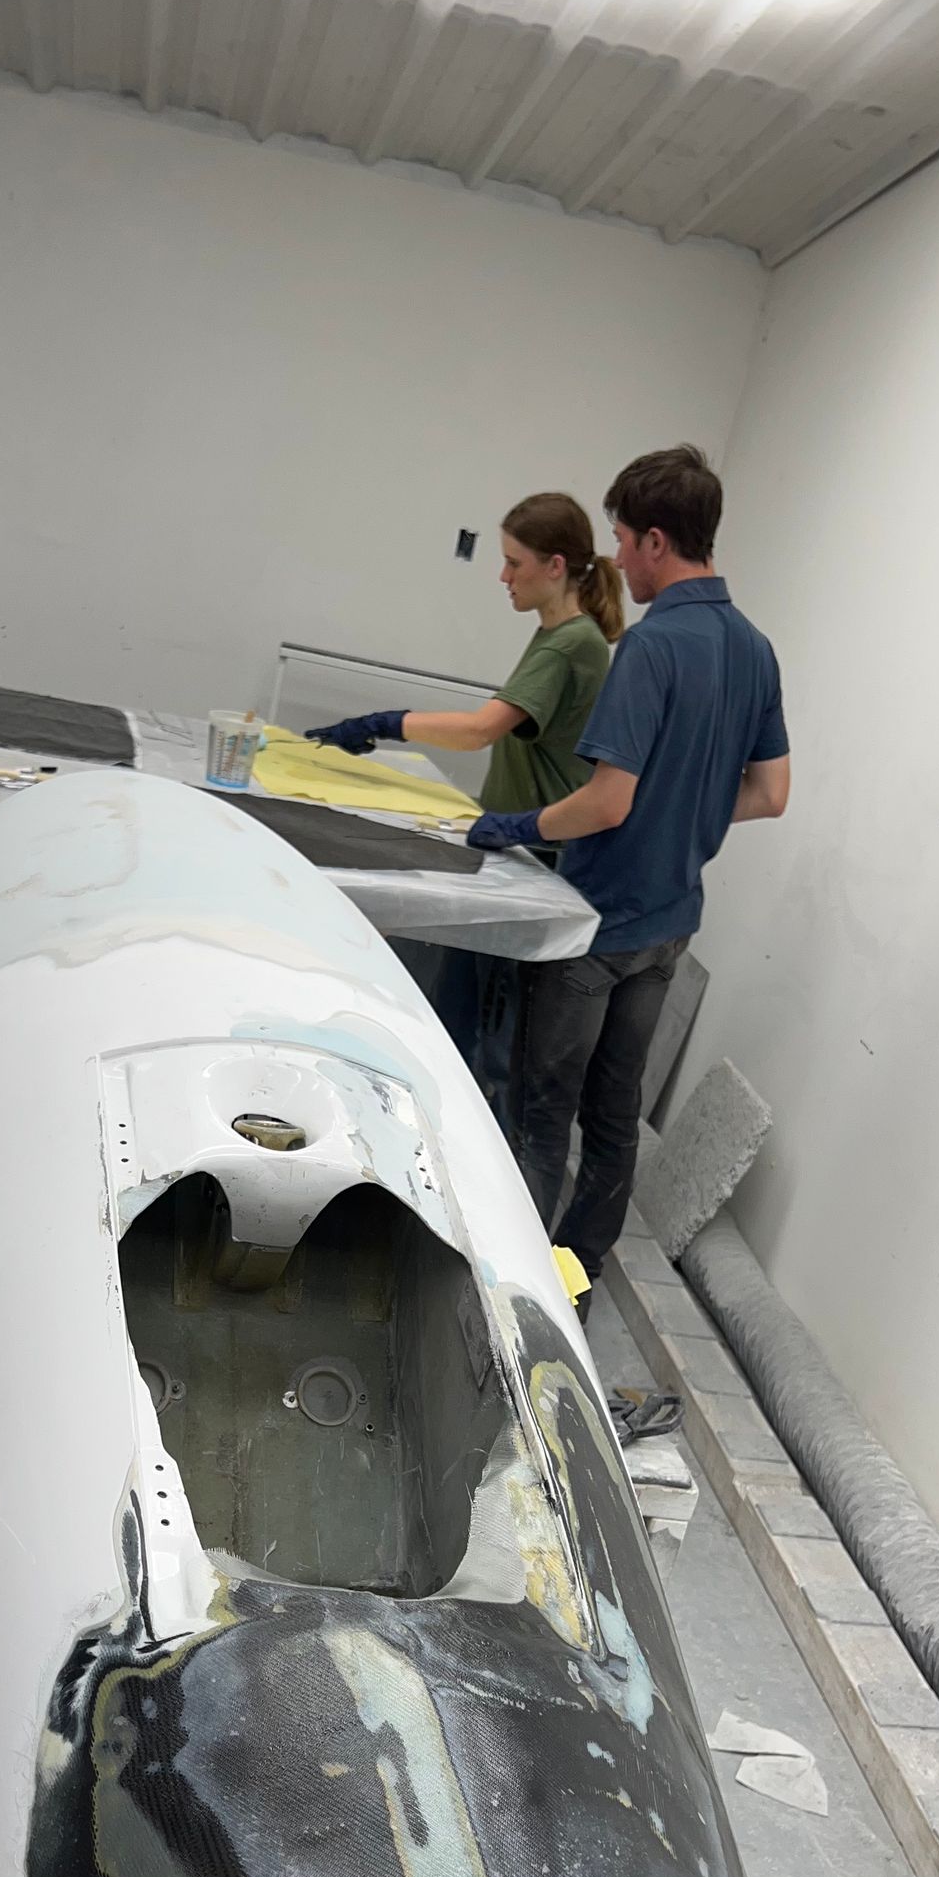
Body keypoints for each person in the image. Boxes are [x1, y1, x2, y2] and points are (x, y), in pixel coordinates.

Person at [466, 444, 790, 1308]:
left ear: (655, 539)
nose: (616, 559)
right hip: (670, 925)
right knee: (611, 1119)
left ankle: (515, 1289)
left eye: (619, 539)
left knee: (542, 1113)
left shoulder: (652, 650)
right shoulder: (754, 650)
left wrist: (516, 827)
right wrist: (686, 814)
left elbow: (605, 804)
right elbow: (771, 793)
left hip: (597, 926)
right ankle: (579, 1275)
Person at [305, 494, 622, 1104]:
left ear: (555, 566)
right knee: (457, 1013)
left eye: (514, 563)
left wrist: (385, 722)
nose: (504, 577)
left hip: (536, 862)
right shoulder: (557, 634)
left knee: (483, 1044)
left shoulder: (571, 645)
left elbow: (481, 729)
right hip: (512, 847)